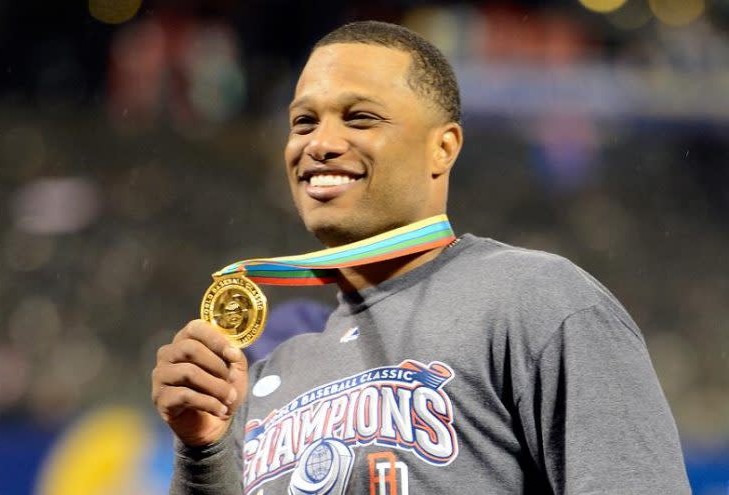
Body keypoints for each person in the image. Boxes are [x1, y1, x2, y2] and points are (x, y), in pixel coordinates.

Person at [152, 21, 690, 494]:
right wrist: (203, 450)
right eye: (303, 122)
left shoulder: (537, 302)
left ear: (444, 147)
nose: (321, 142)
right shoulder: (267, 374)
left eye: (360, 118)